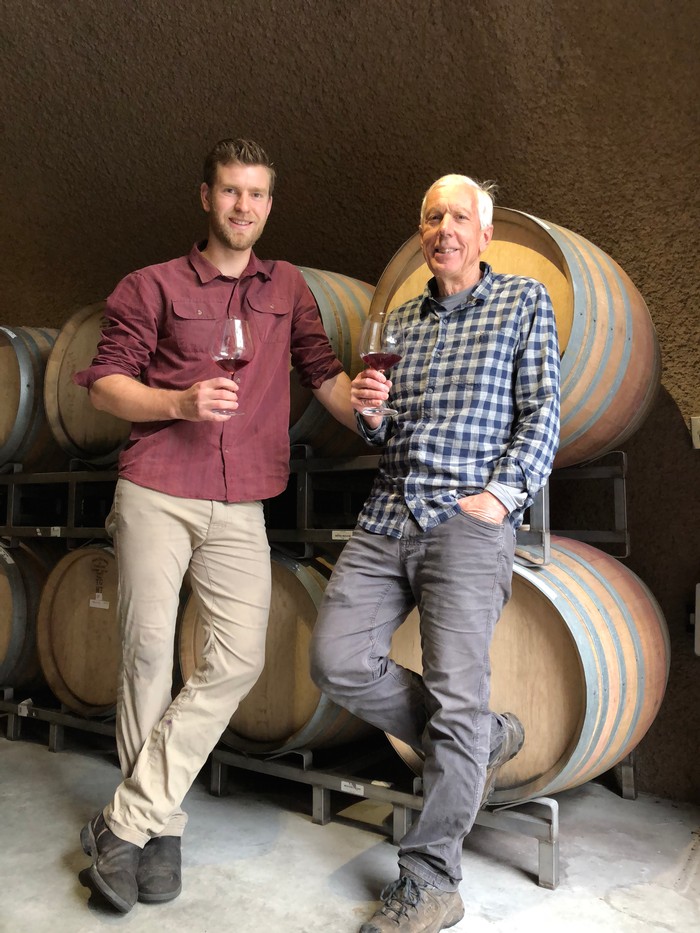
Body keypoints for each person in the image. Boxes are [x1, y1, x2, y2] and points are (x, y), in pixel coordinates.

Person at [72, 137, 357, 914]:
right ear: (206, 197)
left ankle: (126, 821)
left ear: (271, 202)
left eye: (257, 194)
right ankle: (160, 833)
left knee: (236, 658)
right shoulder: (150, 285)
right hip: (158, 486)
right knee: (144, 656)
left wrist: (365, 408)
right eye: (231, 191)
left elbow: (320, 368)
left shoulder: (288, 285)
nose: (244, 207)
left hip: (241, 500)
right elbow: (105, 388)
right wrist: (177, 402)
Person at [310, 173, 560, 933]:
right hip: (390, 511)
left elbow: (543, 411)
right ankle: (481, 738)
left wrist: (499, 497)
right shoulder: (400, 321)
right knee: (334, 658)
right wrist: (372, 415)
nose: (443, 227)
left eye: (458, 216)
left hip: (465, 522)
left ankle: (431, 878)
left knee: (455, 696)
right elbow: (380, 432)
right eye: (430, 216)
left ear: (484, 235)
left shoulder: (523, 302)